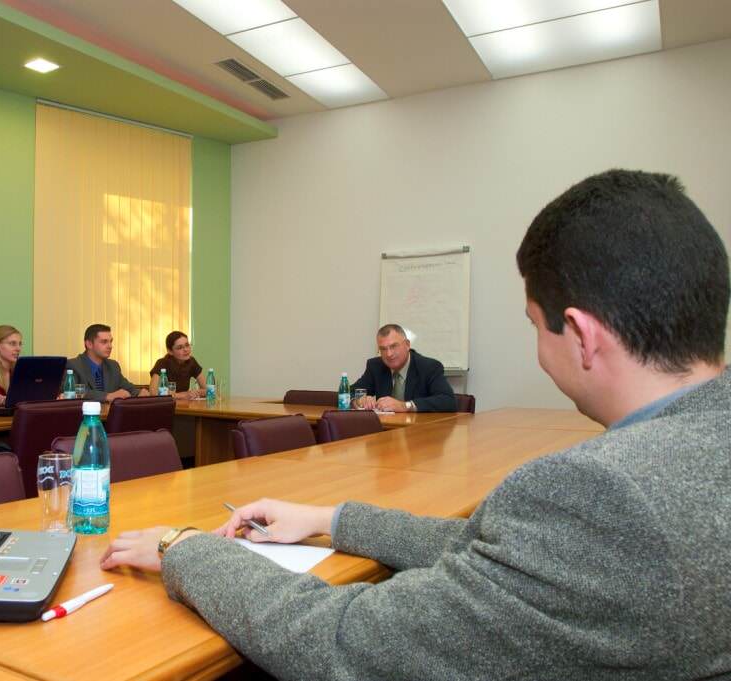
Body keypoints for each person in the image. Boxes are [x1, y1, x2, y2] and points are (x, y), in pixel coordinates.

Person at [99, 169, 731, 679]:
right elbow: (504, 557)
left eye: (535, 325)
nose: (539, 349)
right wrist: (331, 519)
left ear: (584, 337)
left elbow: (342, 642)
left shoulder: (598, 496)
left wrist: (182, 549)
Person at [351, 324, 456, 412]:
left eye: (393, 346)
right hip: (385, 430)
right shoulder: (375, 366)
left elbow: (448, 401)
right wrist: (358, 401)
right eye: (383, 349)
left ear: (407, 345)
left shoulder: (428, 367)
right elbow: (345, 394)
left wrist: (405, 406)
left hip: (419, 431)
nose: (389, 354)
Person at [65, 324, 147, 402]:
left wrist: (140, 392)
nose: (110, 346)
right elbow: (71, 392)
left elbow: (128, 388)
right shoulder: (73, 365)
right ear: (89, 344)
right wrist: (107, 396)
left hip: (108, 415)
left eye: (110, 341)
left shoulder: (113, 366)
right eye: (104, 342)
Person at [149, 331, 205, 398]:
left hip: (184, 406)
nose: (186, 350)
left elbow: (208, 389)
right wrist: (183, 395)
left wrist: (195, 393)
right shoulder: (162, 363)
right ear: (170, 351)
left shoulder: (191, 361)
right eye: (180, 347)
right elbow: (153, 392)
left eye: (187, 345)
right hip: (166, 405)